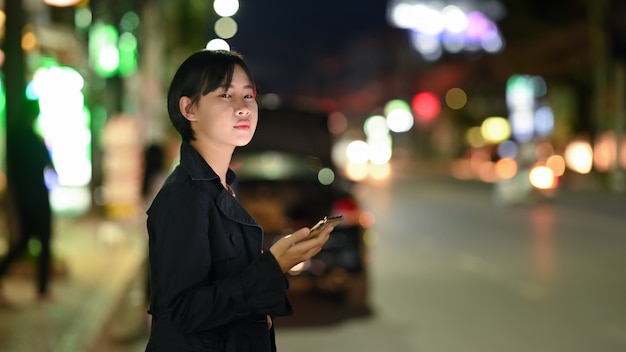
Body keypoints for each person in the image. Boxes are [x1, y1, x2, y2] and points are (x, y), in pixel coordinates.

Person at [145, 49, 333, 351]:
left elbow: (225, 289)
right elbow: (184, 311)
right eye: (225, 95)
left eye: (248, 96)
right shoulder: (185, 196)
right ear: (189, 108)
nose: (243, 108)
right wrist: (272, 266)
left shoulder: (226, 186)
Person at [0, 100, 55, 303]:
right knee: (42, 241)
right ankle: (42, 288)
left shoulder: (14, 138)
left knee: (23, 241)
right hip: (37, 197)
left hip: (22, 198)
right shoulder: (32, 139)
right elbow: (48, 165)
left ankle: (41, 287)